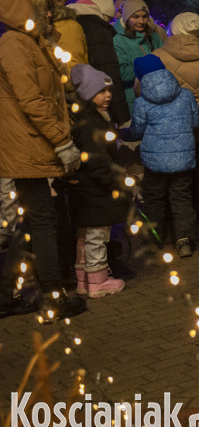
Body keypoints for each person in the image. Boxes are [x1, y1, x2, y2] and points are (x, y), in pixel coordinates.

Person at [0, 0, 86, 320]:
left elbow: (48, 89)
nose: (48, 13)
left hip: (31, 142)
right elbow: (31, 100)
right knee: (44, 220)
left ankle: (10, 294)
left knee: (34, 221)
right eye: (41, 8)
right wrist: (61, 140)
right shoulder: (14, 44)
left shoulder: (29, 42)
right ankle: (52, 295)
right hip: (26, 144)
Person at [67, 64, 132, 297]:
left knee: (85, 236)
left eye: (109, 91)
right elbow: (97, 161)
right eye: (102, 91)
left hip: (86, 189)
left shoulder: (87, 117)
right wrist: (116, 182)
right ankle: (98, 281)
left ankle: (84, 280)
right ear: (87, 93)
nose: (108, 95)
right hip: (94, 189)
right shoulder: (90, 122)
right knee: (97, 236)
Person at [131, 54, 199, 258]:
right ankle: (184, 240)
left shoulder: (142, 102)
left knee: (154, 200)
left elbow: (137, 131)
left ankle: (153, 241)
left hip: (155, 161)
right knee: (181, 198)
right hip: (183, 159)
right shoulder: (186, 95)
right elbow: (196, 122)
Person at [153, 12, 199, 238]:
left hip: (168, 125)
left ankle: (171, 229)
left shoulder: (158, 57)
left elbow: (142, 88)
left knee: (173, 178)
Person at [70, 0, 130, 125]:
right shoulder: (98, 30)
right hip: (95, 101)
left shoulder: (71, 21)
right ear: (103, 14)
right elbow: (109, 71)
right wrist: (122, 117)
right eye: (108, 19)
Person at [113, 0, 163, 113]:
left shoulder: (153, 36)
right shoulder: (118, 40)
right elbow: (122, 72)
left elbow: (163, 60)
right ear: (126, 18)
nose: (141, 21)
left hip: (155, 99)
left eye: (144, 16)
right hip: (132, 100)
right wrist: (149, 68)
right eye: (136, 17)